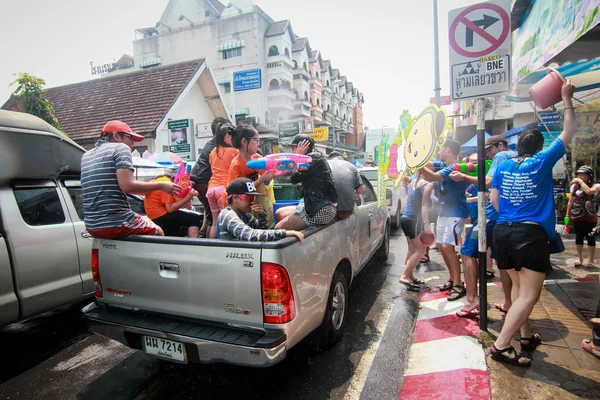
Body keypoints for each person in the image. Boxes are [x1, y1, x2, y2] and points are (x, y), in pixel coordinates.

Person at [489, 81, 576, 367]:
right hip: (529, 233)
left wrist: (511, 216)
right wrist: (566, 99)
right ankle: (502, 345)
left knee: (516, 288)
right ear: (539, 147)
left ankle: (525, 337)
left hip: (503, 231)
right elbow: (568, 132)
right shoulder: (541, 161)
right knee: (530, 295)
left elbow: (494, 200)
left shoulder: (503, 165)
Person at [81, 120, 181, 238]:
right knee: (158, 230)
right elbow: (128, 186)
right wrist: (161, 185)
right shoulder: (120, 148)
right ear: (115, 136)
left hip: (92, 225)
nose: (132, 143)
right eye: (130, 138)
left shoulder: (86, 155)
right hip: (116, 221)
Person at [451, 138, 517, 317]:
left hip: (489, 219)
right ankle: (509, 302)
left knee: (467, 251)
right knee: (502, 261)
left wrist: (464, 177)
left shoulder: (502, 155)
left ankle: (472, 299)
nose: (487, 154)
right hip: (508, 218)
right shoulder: (520, 159)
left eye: (489, 150)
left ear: (500, 145)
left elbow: (487, 182)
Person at [420, 139, 468, 301]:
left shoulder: (455, 167)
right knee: (441, 246)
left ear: (448, 149)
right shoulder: (443, 164)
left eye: (441, 148)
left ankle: (458, 285)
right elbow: (430, 165)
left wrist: (418, 164)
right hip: (444, 213)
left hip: (455, 213)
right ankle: (452, 279)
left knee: (448, 247)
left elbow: (431, 175)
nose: (439, 151)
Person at [275, 134, 338, 230]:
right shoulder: (312, 158)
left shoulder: (311, 159)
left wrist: (297, 156)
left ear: (303, 147)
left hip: (321, 210)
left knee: (278, 228)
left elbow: (294, 178)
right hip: (313, 206)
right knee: (279, 213)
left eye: (294, 148)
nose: (292, 151)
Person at [218, 178, 304, 242]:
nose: (253, 201)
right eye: (249, 197)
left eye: (254, 197)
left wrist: (262, 216)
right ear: (235, 198)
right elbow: (251, 235)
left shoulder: (244, 214)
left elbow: (262, 229)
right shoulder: (227, 215)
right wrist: (285, 233)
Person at [222, 124, 275, 225]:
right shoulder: (236, 165)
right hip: (237, 205)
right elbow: (240, 192)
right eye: (256, 140)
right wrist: (263, 178)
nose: (258, 144)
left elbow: (269, 176)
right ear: (244, 141)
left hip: (249, 201)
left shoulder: (257, 158)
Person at [191, 117, 230, 237]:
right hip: (206, 183)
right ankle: (209, 243)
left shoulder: (211, 145)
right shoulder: (223, 147)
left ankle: (204, 235)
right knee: (215, 220)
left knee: (210, 216)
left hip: (200, 181)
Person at [399, 172, 433, 291]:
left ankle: (410, 275)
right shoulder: (427, 185)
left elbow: (408, 194)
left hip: (405, 218)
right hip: (415, 220)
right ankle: (405, 275)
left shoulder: (413, 180)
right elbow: (424, 206)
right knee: (421, 250)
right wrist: (427, 225)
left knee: (411, 249)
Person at [206, 123, 238, 238]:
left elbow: (212, 170)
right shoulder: (234, 152)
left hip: (211, 189)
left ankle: (212, 246)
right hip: (223, 190)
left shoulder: (213, 151)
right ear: (228, 137)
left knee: (215, 222)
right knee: (225, 221)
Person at [566, 165, 600, 268]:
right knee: (579, 237)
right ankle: (579, 258)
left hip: (590, 217)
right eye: (579, 174)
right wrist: (567, 214)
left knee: (590, 237)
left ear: (589, 176)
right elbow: (571, 200)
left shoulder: (596, 185)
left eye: (583, 175)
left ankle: (591, 260)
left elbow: (589, 191)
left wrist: (580, 182)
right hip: (577, 216)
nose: (580, 176)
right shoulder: (575, 187)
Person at [327, 152, 365, 220]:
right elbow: (361, 190)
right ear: (341, 158)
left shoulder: (324, 164)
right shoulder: (351, 166)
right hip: (346, 212)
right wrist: (354, 194)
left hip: (325, 212)